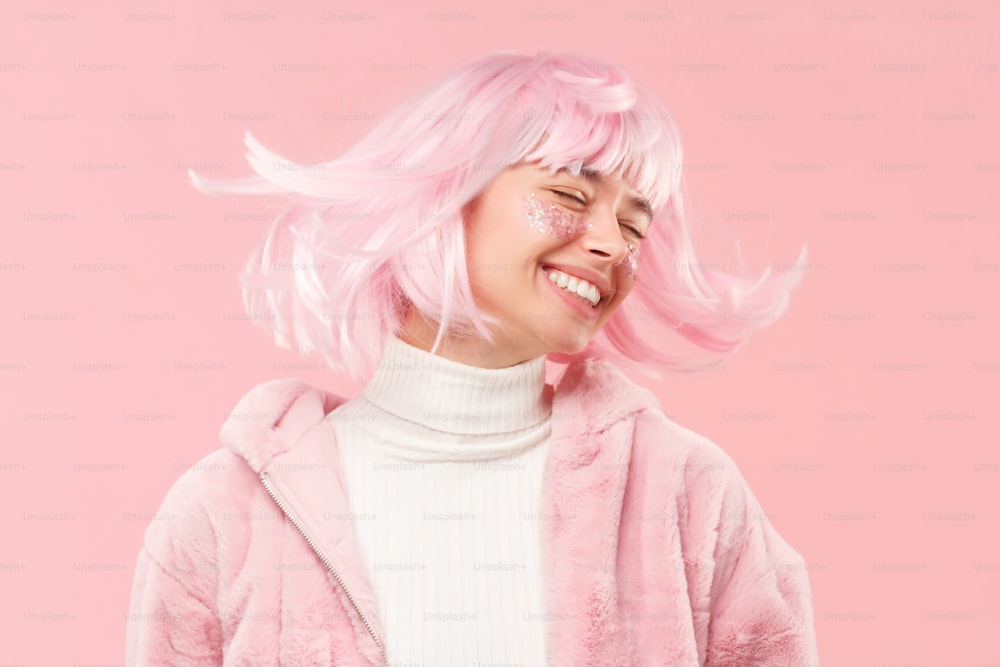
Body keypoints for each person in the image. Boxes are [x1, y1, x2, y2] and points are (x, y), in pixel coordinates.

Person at [125, 51, 819, 665]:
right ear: (445, 195)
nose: (612, 244)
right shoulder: (224, 512)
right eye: (569, 195)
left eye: (633, 223)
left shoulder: (688, 497)